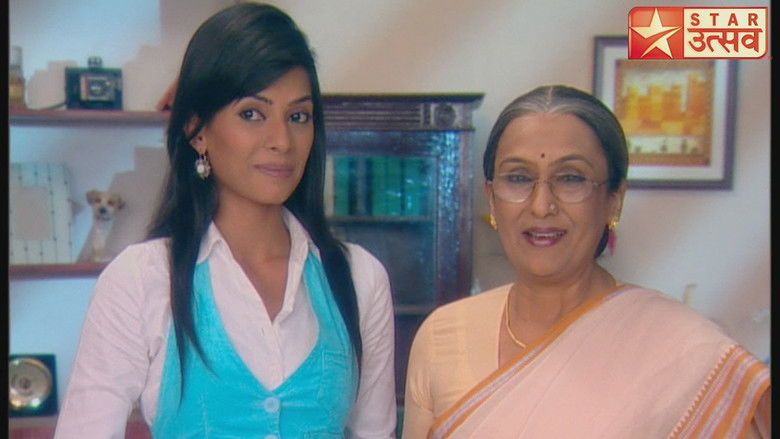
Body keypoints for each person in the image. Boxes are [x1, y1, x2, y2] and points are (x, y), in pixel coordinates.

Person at [54, 3, 396, 438]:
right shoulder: (142, 279)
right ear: (197, 130)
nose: (282, 141)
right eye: (252, 114)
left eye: (298, 117)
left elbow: (375, 433)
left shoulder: (359, 277)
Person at [402, 85, 770, 439]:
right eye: (518, 178)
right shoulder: (443, 336)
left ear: (614, 200)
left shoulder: (684, 350)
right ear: (492, 199)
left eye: (570, 179)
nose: (541, 205)